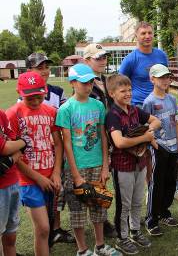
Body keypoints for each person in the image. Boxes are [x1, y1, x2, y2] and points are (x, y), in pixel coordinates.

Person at [56, 64, 121, 256]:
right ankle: (82, 250)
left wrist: (105, 165)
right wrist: (75, 175)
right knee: (77, 212)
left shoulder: (98, 105)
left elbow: (102, 136)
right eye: (84, 82)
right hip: (75, 168)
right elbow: (66, 144)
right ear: (73, 82)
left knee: (98, 206)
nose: (88, 85)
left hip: (97, 165)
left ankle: (100, 246)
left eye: (91, 81)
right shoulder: (66, 108)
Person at [6, 72, 63, 256]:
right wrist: (38, 178)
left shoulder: (51, 112)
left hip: (50, 176)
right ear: (20, 92)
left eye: (39, 95)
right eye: (30, 96)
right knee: (44, 228)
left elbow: (58, 144)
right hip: (28, 180)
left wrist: (55, 173)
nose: (36, 100)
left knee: (46, 228)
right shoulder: (13, 114)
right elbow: (14, 155)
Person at [105, 74, 160, 254]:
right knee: (124, 204)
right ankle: (122, 237)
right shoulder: (112, 115)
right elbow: (119, 143)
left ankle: (135, 231)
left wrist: (149, 130)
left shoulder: (135, 110)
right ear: (112, 93)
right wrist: (145, 137)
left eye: (129, 90)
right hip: (122, 166)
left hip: (140, 162)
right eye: (123, 91)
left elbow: (156, 120)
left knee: (137, 201)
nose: (128, 93)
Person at [23, 52, 74, 245]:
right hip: (35, 157)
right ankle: (44, 231)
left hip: (56, 152)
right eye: (39, 67)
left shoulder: (57, 92)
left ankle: (55, 229)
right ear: (29, 71)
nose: (44, 71)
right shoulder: (24, 98)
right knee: (38, 196)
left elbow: (64, 117)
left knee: (56, 194)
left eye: (46, 67)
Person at [142, 64, 178, 236]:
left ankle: (164, 212)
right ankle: (151, 219)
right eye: (161, 77)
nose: (165, 80)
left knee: (171, 182)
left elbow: (175, 123)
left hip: (173, 147)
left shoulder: (172, 99)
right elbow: (145, 128)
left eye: (167, 77)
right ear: (152, 79)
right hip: (159, 147)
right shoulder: (149, 102)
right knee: (156, 184)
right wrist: (153, 143)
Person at [84, 43, 116, 238]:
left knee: (105, 179)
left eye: (104, 57)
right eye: (98, 58)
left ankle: (103, 219)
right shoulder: (84, 84)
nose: (103, 61)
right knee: (96, 180)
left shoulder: (108, 80)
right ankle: (101, 221)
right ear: (87, 61)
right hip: (93, 139)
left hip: (111, 136)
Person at [119, 21, 168, 107]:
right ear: (136, 36)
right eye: (143, 33)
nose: (147, 36)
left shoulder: (162, 55)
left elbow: (166, 79)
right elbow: (120, 84)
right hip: (139, 106)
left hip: (159, 103)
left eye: (150, 33)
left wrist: (166, 98)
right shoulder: (130, 59)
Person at [0, 110, 26, 256]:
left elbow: (14, 142)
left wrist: (11, 158)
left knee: (10, 235)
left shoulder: (1, 115)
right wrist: (23, 142)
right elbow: (5, 148)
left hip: (12, 182)